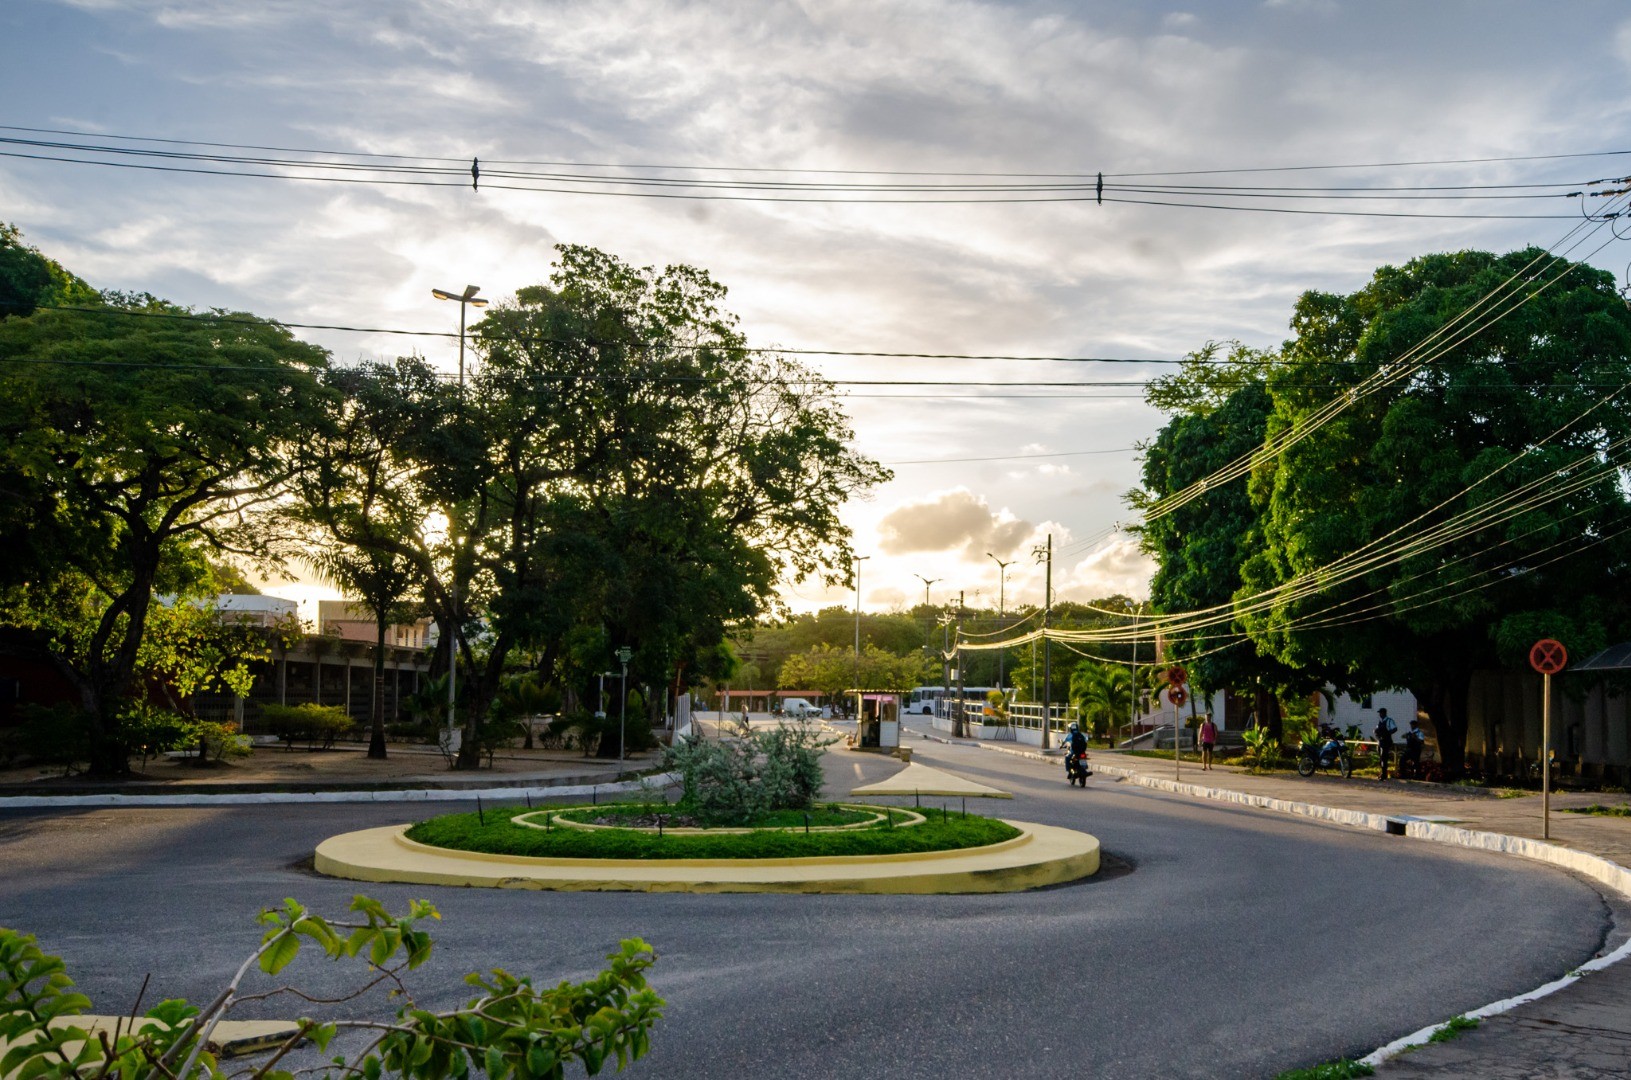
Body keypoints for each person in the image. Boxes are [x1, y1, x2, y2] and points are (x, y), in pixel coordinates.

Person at [1374, 707, 1398, 781]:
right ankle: (1383, 773)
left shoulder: (1389, 721)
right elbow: (1377, 729)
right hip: (1381, 741)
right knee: (1381, 758)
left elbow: (1395, 728)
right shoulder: (1380, 721)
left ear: (1384, 713)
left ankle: (1384, 775)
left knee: (1384, 758)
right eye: (1379, 713)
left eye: (1381, 713)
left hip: (1386, 741)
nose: (1380, 714)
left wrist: (1387, 734)